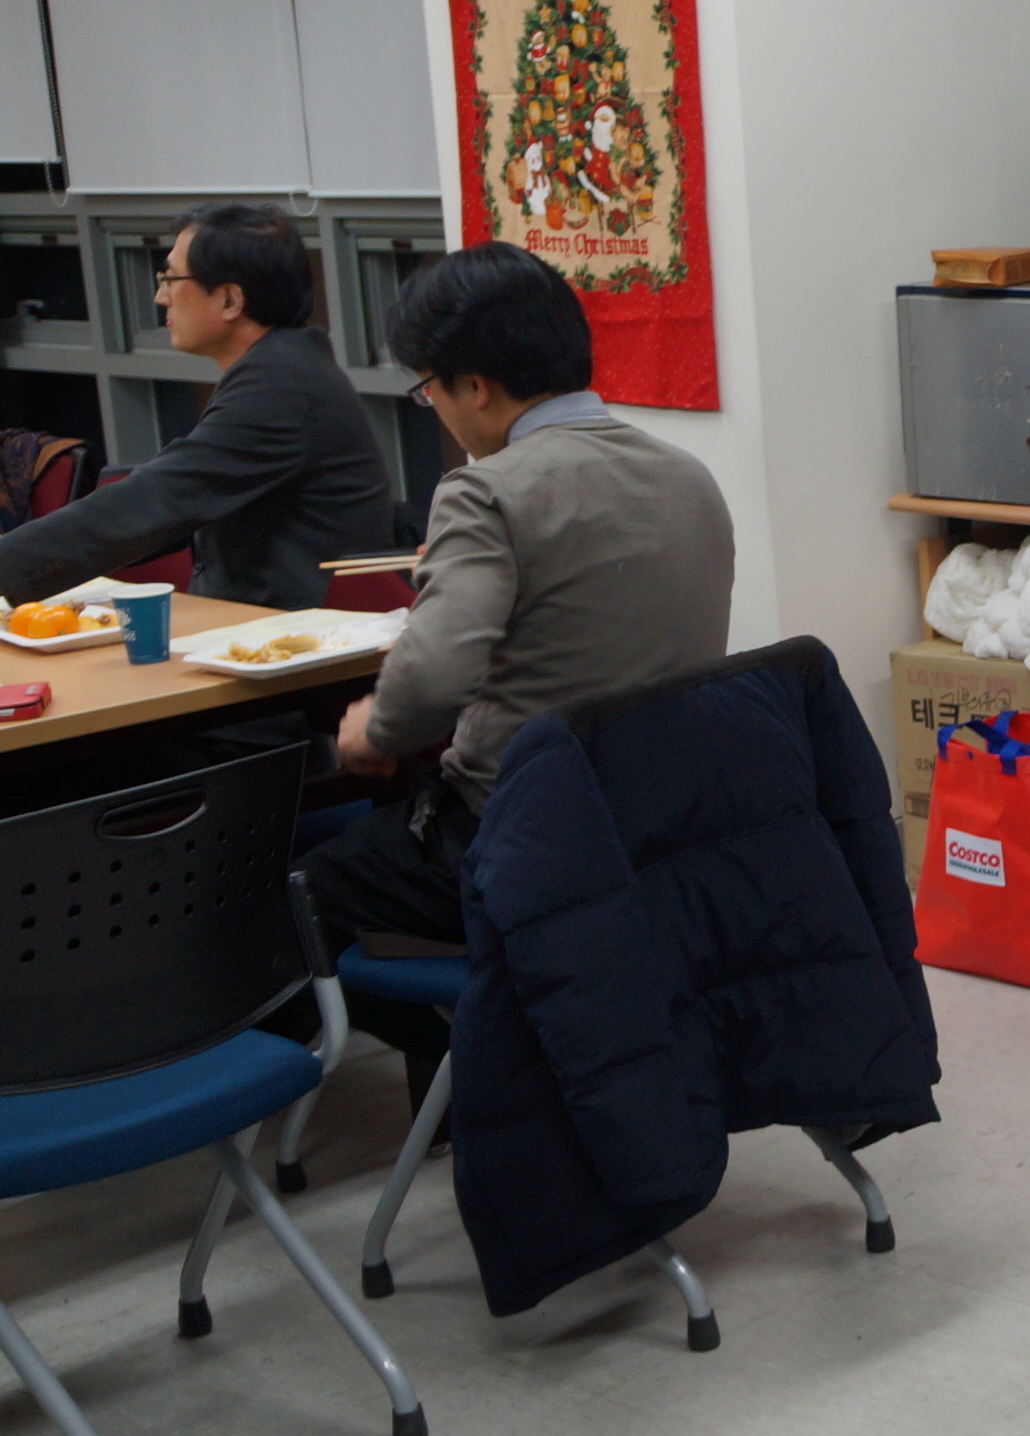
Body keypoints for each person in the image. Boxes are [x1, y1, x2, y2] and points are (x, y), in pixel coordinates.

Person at [302, 243, 733, 1050]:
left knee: (299, 884)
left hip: (525, 838)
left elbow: (433, 678)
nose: (434, 408)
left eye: (428, 389)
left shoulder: (484, 490)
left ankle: (464, 1063)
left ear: (474, 386)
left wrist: (372, 730)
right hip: (665, 829)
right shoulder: (687, 475)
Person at [0, 204, 393, 611]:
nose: (159, 297)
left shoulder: (280, 386)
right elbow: (166, 510)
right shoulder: (283, 366)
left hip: (303, 642)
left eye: (170, 279)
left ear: (230, 300)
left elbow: (158, 499)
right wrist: (4, 557)